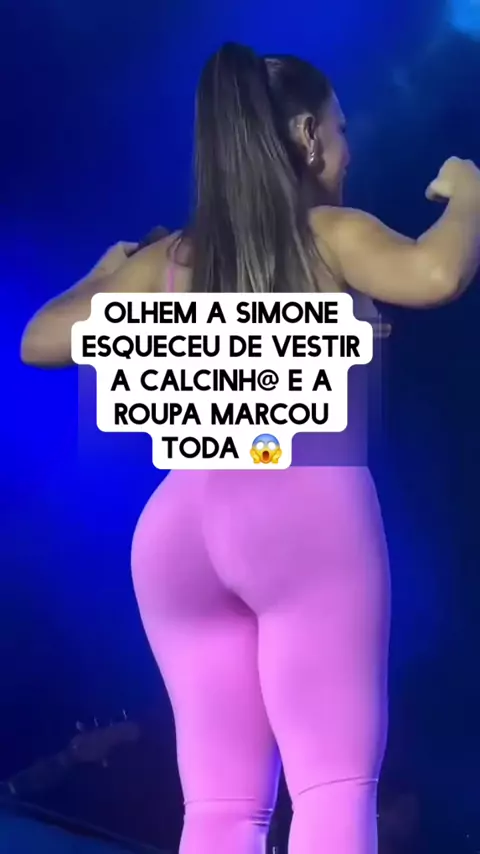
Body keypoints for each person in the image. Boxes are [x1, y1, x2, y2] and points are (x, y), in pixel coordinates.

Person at [21, 42, 480, 854]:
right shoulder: (326, 232)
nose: (348, 151)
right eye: (340, 130)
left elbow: (40, 340)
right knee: (332, 791)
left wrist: (100, 278)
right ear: (306, 137)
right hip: (299, 509)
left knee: (220, 810)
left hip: (177, 534)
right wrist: (470, 197)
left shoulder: (170, 261)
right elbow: (437, 273)